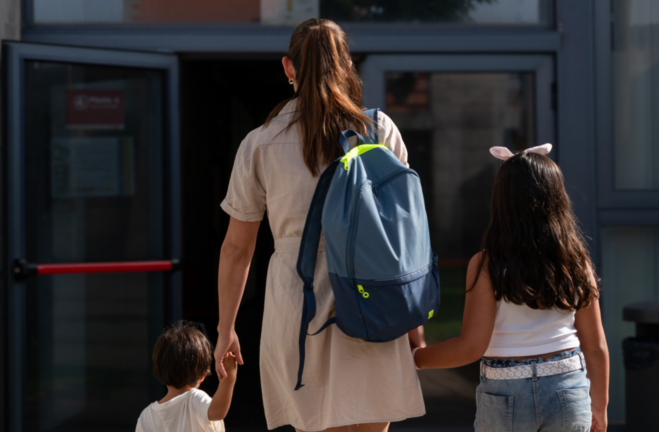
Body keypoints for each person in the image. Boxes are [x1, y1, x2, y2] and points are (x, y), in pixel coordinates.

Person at [215, 18, 425, 432]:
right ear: (347, 65)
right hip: (370, 293)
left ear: (288, 67)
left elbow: (238, 249)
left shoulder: (258, 143)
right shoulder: (378, 130)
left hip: (295, 298)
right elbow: (406, 237)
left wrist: (226, 329)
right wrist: (415, 323)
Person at [412, 145, 610, 432]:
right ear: (558, 199)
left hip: (506, 392)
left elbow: (470, 347)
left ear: (501, 202)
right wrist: (600, 408)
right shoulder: (577, 261)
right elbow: (596, 348)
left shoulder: (486, 264)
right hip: (568, 386)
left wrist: (415, 359)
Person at [135, 322, 237, 432]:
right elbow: (218, 412)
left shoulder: (146, 415)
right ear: (202, 375)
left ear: (159, 369)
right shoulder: (194, 399)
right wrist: (229, 376)